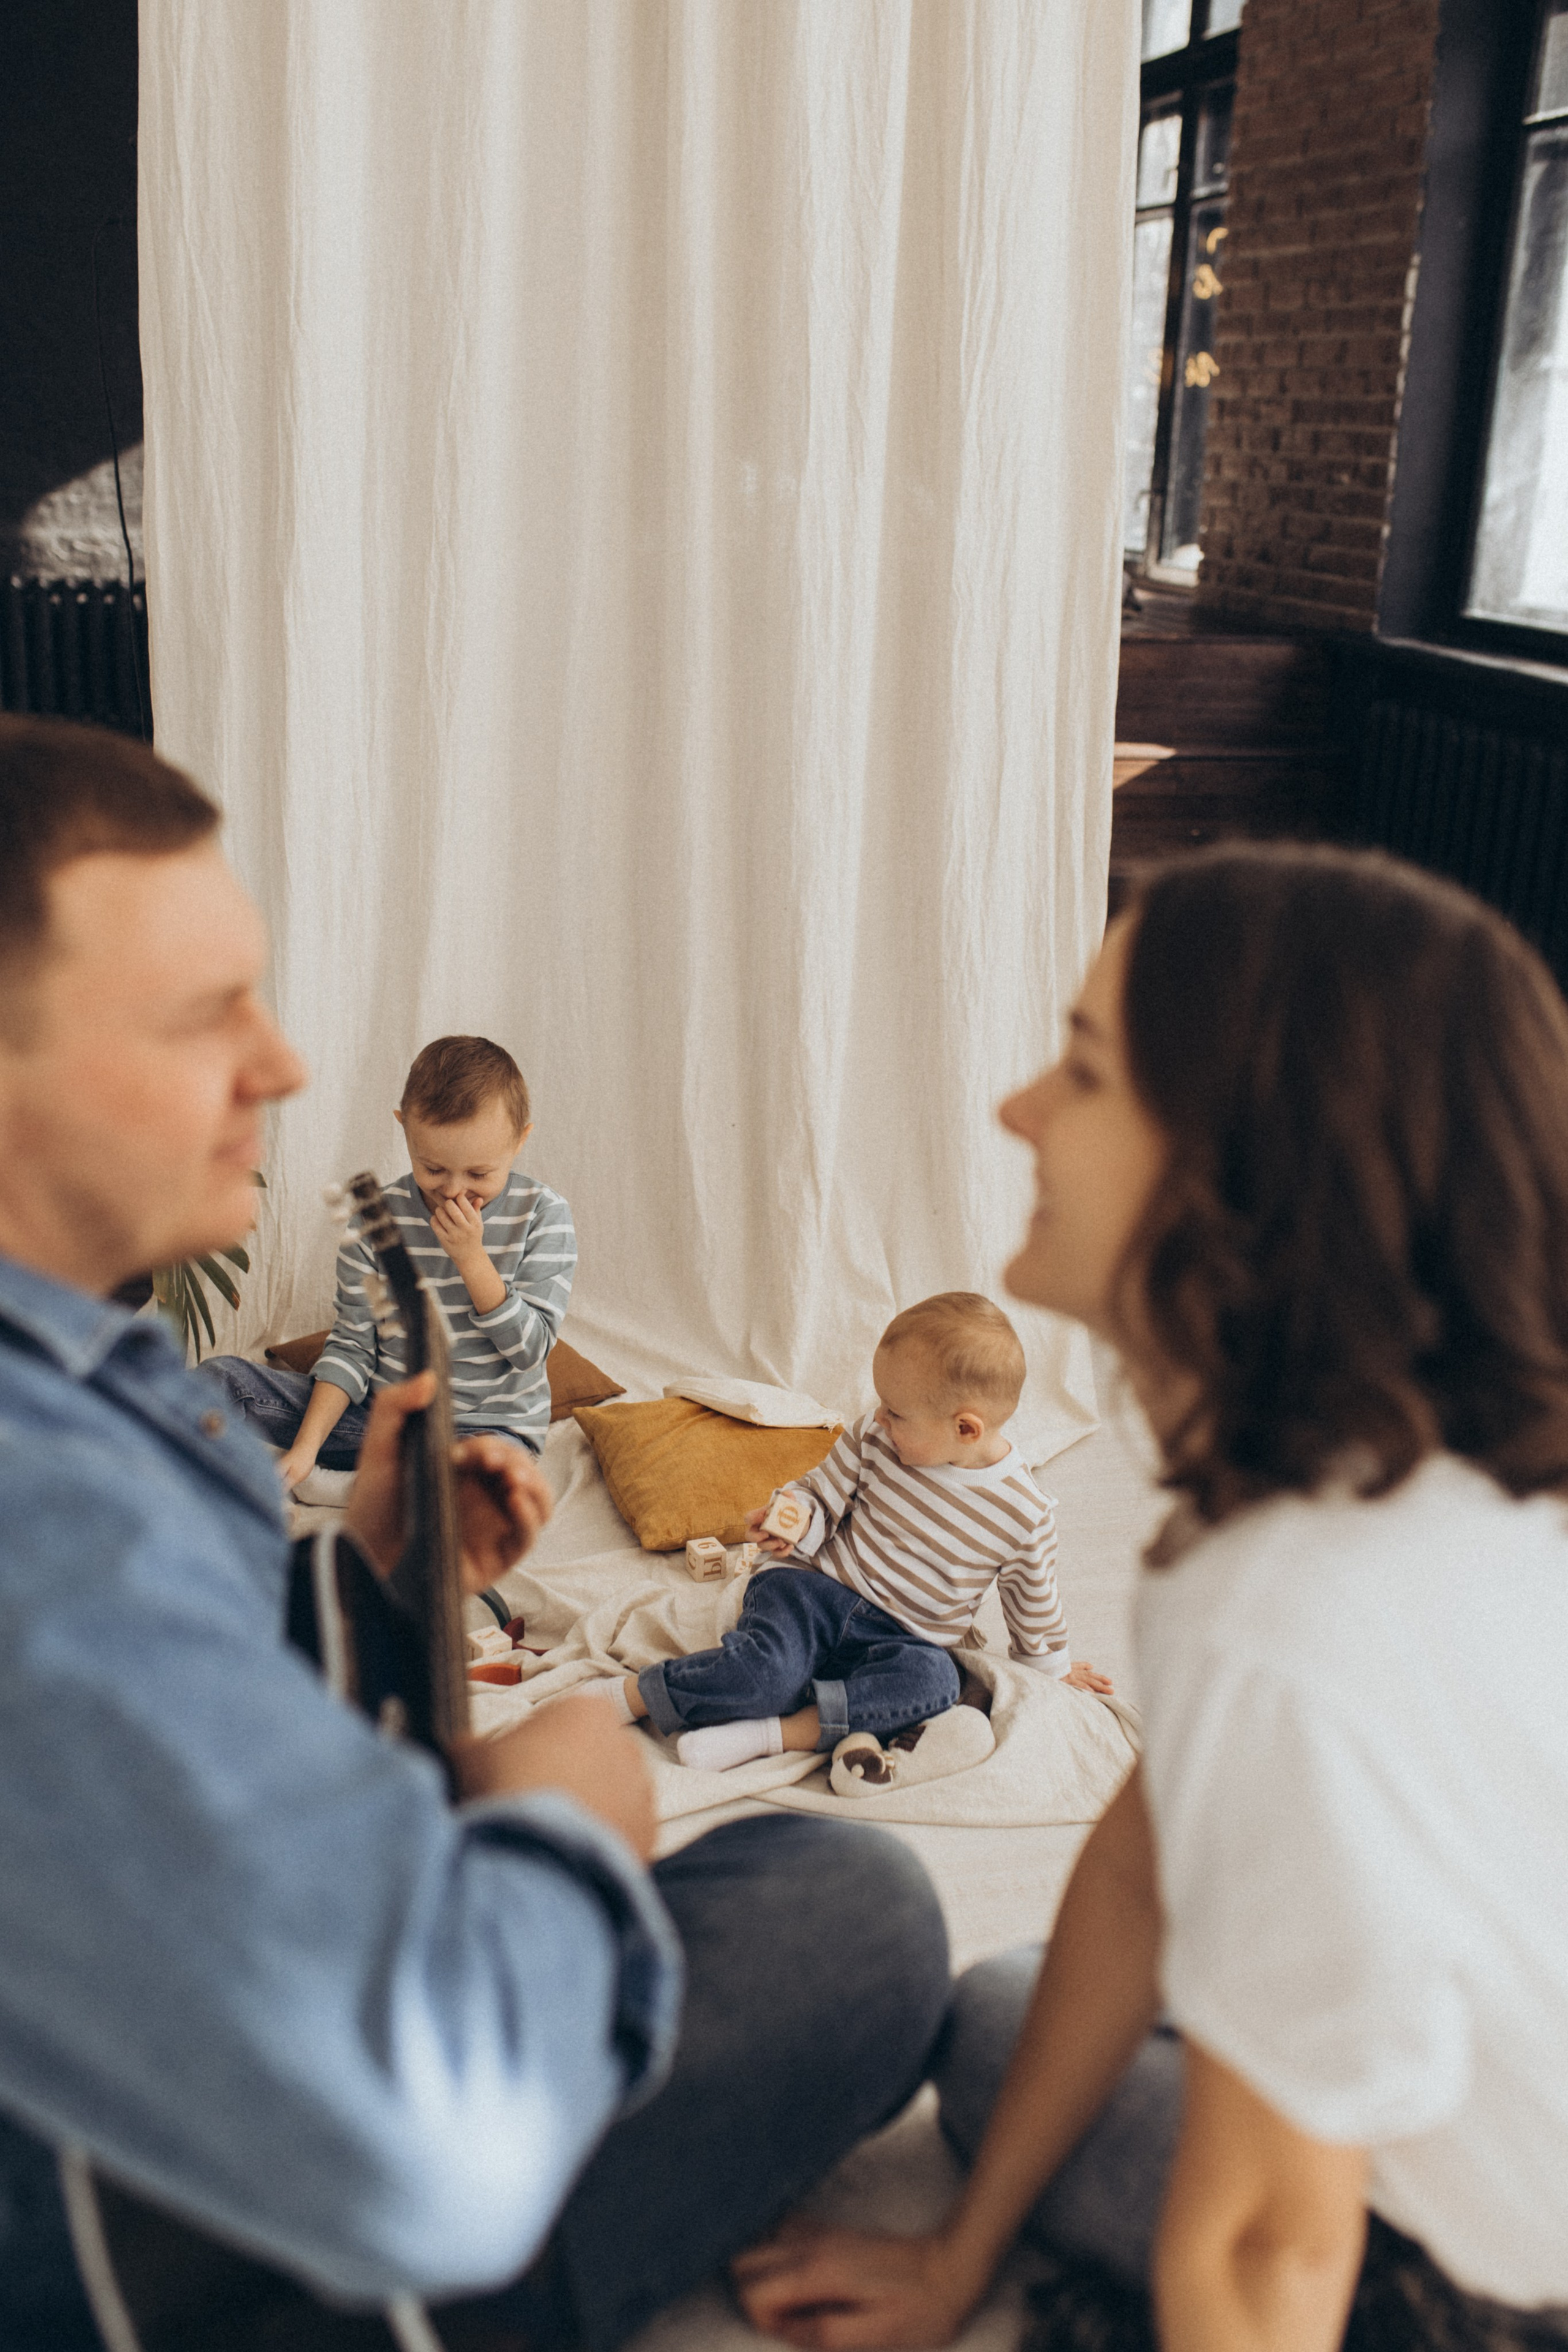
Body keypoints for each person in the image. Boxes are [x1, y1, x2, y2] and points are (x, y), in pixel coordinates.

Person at [0, 714, 950, 2352]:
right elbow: (440, 2142)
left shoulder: (101, 1397)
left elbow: (123, 1745)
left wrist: (363, 1580)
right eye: (204, 1011)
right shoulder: (51, 1497)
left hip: (170, 2027)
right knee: (853, 1917)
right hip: (164, 2244)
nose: (284, 1062)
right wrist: (565, 1820)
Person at [736, 843, 1568, 2350]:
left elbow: (1260, 2251)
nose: (1013, 1112)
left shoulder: (1294, 1612)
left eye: (1083, 1071)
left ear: (1240, 1168)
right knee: (1026, 2002)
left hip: (1496, 2291)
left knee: (998, 2039)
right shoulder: (1402, 1466)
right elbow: (1141, 1854)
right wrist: (952, 2249)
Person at [614, 1294, 1111, 1776]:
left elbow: (1032, 1599)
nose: (878, 1417)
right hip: (812, 1591)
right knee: (766, 1672)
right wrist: (793, 1520)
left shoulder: (1024, 1513)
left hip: (904, 1636)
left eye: (896, 1411)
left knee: (936, 1684)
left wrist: (1053, 1669)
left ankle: (772, 1736)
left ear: (965, 1429)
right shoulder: (875, 1440)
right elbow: (821, 1492)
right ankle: (635, 1696)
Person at [207, 1031, 575, 1483]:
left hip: (489, 1432)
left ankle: (372, 1491)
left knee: (484, 1486)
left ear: (520, 1141)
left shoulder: (544, 1214)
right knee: (219, 1380)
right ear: (404, 1128)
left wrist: (473, 1260)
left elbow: (530, 1350)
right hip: (382, 1424)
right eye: (433, 1169)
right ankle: (361, 1478)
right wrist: (306, 1449)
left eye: (479, 1173)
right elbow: (353, 1346)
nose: (454, 1190)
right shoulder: (376, 1217)